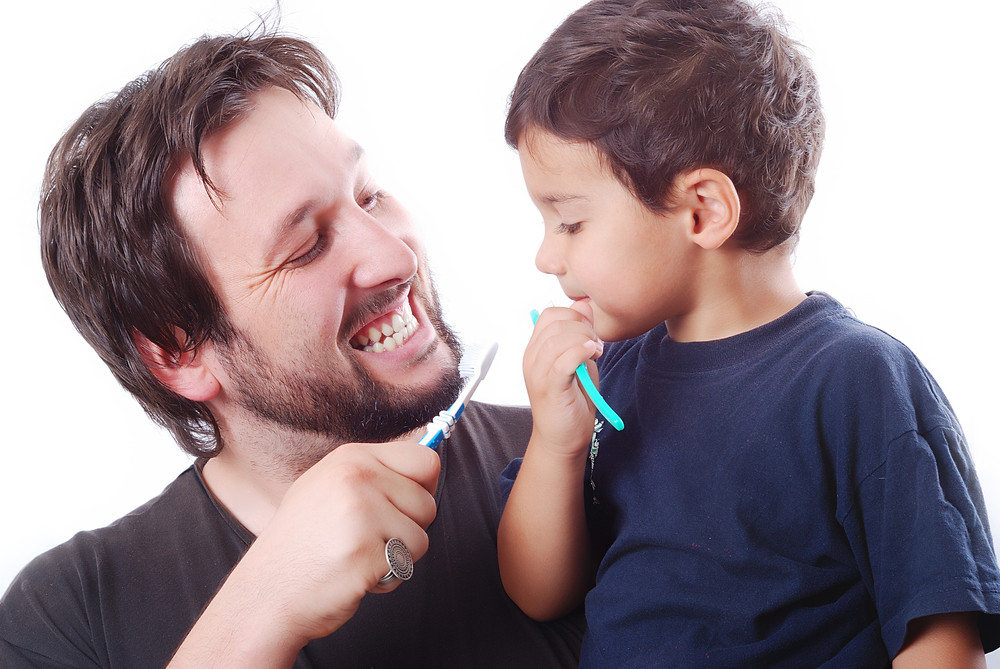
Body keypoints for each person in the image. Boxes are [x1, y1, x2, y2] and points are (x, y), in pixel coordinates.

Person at [0, 26, 584, 668]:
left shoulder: (586, 464)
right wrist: (261, 611)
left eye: (370, 195)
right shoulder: (67, 618)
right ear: (178, 353)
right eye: (305, 247)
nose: (395, 257)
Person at [496, 0, 1000, 666]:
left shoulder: (857, 377)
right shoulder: (609, 374)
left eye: (569, 222)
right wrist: (556, 443)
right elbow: (538, 593)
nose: (546, 256)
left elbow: (942, 629)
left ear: (702, 210)